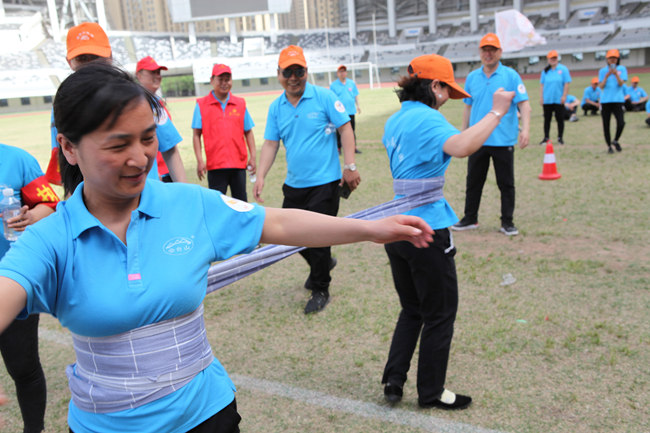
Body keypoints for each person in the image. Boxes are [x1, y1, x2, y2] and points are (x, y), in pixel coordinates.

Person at [0, 63, 433, 433]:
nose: (140, 158)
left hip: (208, 416)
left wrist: (369, 229)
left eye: (147, 139)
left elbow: (278, 221)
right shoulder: (51, 240)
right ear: (69, 148)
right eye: (118, 145)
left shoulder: (189, 205)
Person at [380, 54, 514, 410]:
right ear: (434, 85)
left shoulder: (395, 119)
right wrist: (497, 111)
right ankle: (431, 391)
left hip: (397, 226)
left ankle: (394, 380)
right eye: (445, 91)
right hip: (426, 229)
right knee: (439, 313)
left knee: (412, 309)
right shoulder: (428, 118)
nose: (446, 99)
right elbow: (462, 147)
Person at [254, 45, 361, 314]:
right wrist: (261, 176)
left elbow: (346, 129)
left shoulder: (324, 97)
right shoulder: (276, 107)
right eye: (288, 72)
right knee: (287, 237)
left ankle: (320, 288)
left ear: (306, 72)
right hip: (294, 185)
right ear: (279, 74)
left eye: (298, 71)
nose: (294, 77)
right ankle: (321, 263)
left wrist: (350, 165)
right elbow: (271, 144)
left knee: (318, 238)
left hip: (325, 183)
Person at [0, 143, 60, 433]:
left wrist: (33, 216)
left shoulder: (16, 159)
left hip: (12, 282)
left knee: (23, 367)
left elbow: (49, 204)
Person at [451, 33, 531, 236]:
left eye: (492, 50)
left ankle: (507, 222)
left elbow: (524, 104)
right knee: (473, 181)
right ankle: (470, 218)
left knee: (506, 184)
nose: (488, 54)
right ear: (480, 52)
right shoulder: (472, 78)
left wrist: (526, 129)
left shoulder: (510, 76)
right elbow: (468, 107)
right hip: (477, 139)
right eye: (485, 50)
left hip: (503, 139)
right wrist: (464, 132)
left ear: (500, 52)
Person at [46, 22, 112, 186]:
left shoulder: (136, 97)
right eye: (82, 59)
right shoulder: (63, 104)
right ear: (69, 62)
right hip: (91, 196)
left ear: (110, 56)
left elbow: (168, 148)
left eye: (95, 56)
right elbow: (64, 162)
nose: (89, 64)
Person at [192, 64, 256, 201]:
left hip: (238, 164)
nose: (224, 83)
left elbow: (248, 132)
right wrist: (200, 160)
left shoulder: (240, 103)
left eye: (227, 79)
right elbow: (196, 134)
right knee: (216, 204)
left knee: (241, 203)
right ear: (212, 80)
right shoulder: (201, 105)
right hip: (215, 165)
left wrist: (253, 156)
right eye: (220, 79)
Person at [135, 56, 187, 184]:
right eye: (152, 72)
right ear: (138, 75)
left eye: (158, 72)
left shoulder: (156, 103)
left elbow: (170, 147)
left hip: (164, 172)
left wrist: (183, 188)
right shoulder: (130, 102)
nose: (157, 76)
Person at [539, 50, 571, 145]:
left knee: (560, 119)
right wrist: (541, 97)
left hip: (558, 99)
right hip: (547, 99)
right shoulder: (545, 71)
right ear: (548, 59)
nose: (553, 60)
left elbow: (566, 84)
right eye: (551, 58)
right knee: (547, 119)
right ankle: (546, 137)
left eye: (555, 58)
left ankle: (560, 137)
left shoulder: (563, 69)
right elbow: (542, 85)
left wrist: (564, 96)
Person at [598, 49, 627, 154]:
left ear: (618, 59)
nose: (612, 60)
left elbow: (621, 84)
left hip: (618, 100)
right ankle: (609, 146)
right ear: (607, 59)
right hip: (606, 100)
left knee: (621, 122)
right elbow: (601, 86)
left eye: (614, 58)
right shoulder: (602, 71)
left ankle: (615, 140)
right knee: (606, 124)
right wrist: (606, 76)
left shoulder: (622, 69)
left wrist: (616, 74)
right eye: (610, 58)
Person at [329, 65, 362, 154]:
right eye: (341, 71)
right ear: (337, 73)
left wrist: (358, 106)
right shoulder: (333, 85)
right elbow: (331, 99)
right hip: (339, 112)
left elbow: (355, 95)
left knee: (352, 130)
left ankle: (353, 148)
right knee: (339, 131)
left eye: (344, 71)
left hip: (351, 111)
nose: (343, 73)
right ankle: (338, 148)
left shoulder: (351, 83)